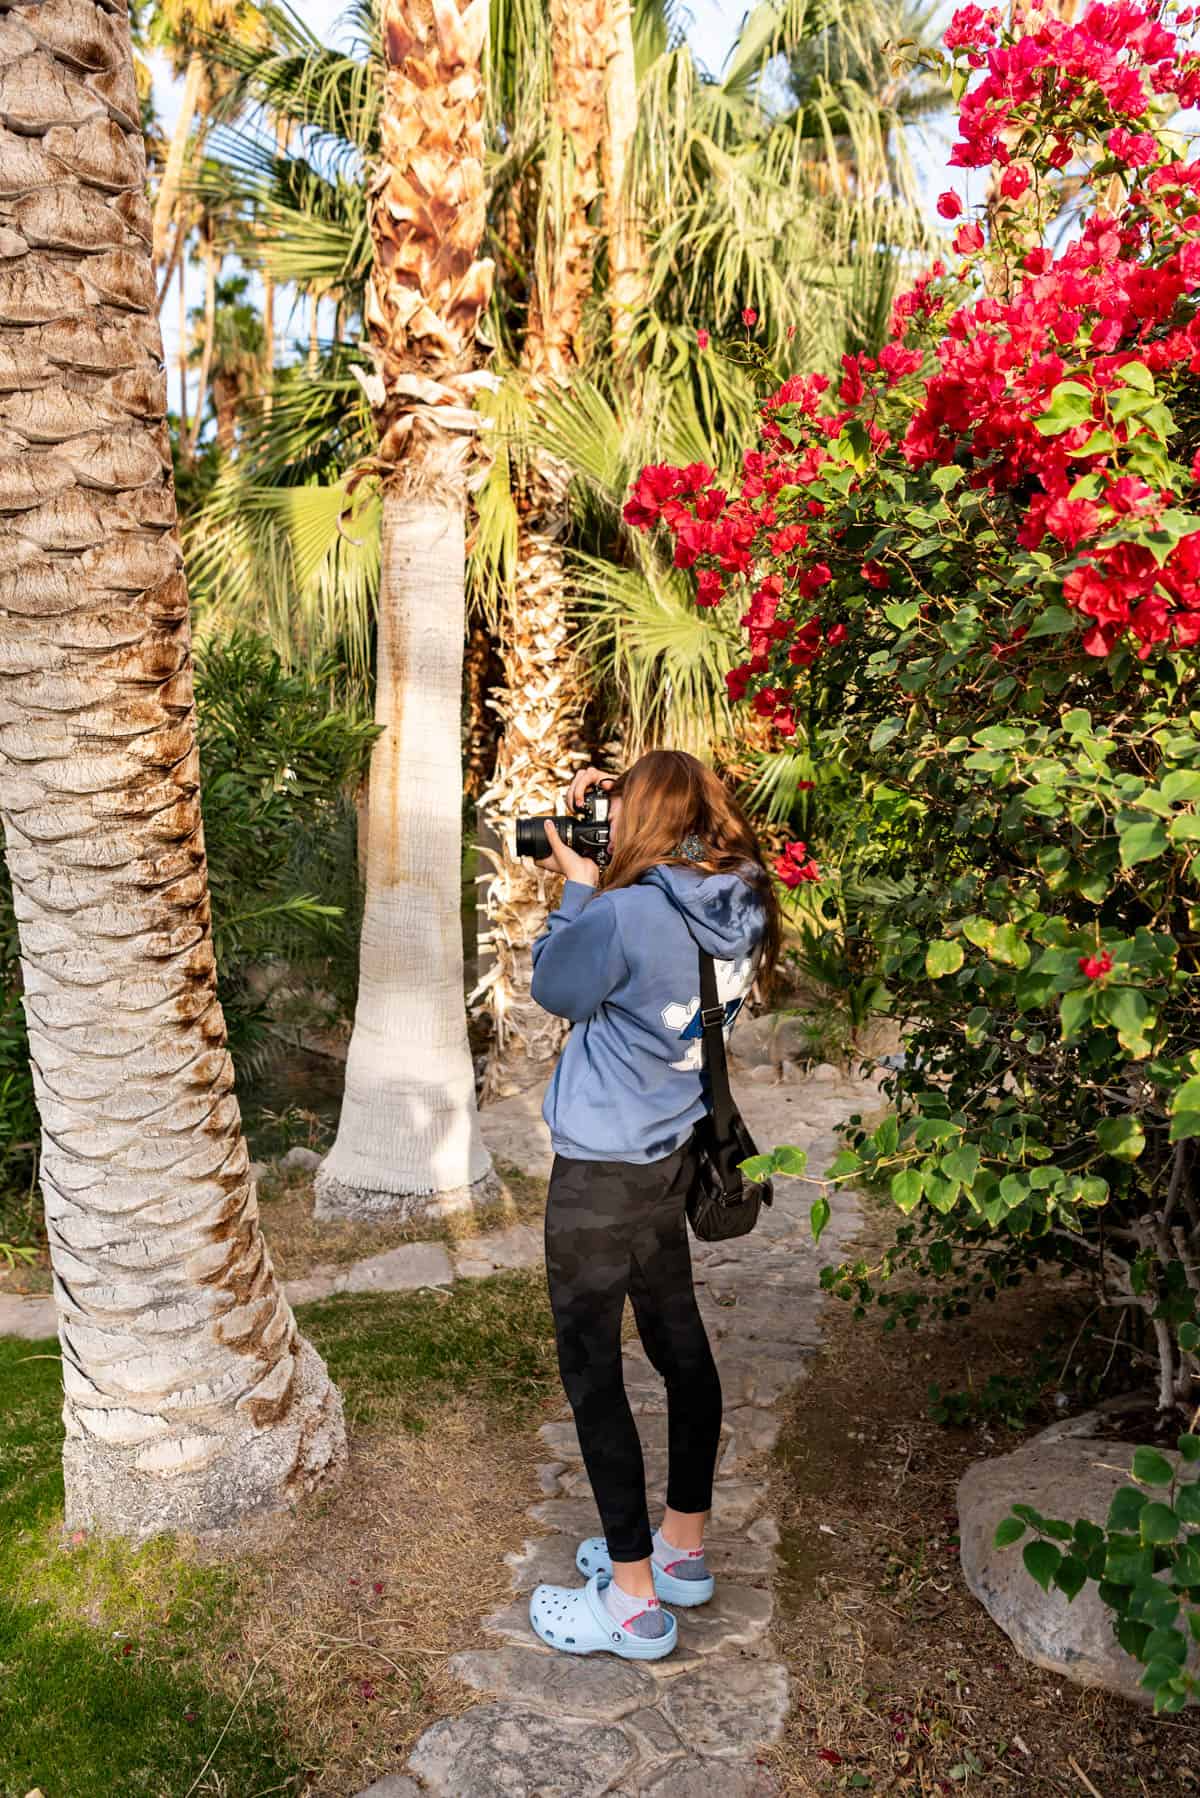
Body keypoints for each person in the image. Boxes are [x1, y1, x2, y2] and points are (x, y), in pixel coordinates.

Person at [525, 748, 779, 1662]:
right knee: (680, 1351)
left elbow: (552, 986)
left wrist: (578, 887)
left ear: (643, 817)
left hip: (602, 1176)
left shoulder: (626, 914)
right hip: (672, 1152)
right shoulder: (743, 893)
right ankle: (682, 1548)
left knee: (592, 1372)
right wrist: (624, 807)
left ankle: (630, 1602)